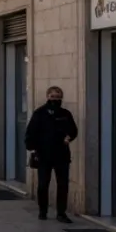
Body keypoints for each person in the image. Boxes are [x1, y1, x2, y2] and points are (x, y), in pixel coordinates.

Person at [25, 86, 78, 222]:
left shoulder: (65, 114)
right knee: (43, 184)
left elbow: (73, 130)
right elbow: (30, 133)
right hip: (44, 155)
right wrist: (33, 149)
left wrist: (69, 137)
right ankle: (43, 211)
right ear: (48, 97)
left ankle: (61, 213)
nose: (55, 99)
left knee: (63, 185)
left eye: (58, 97)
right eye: (53, 96)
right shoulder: (39, 113)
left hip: (62, 155)